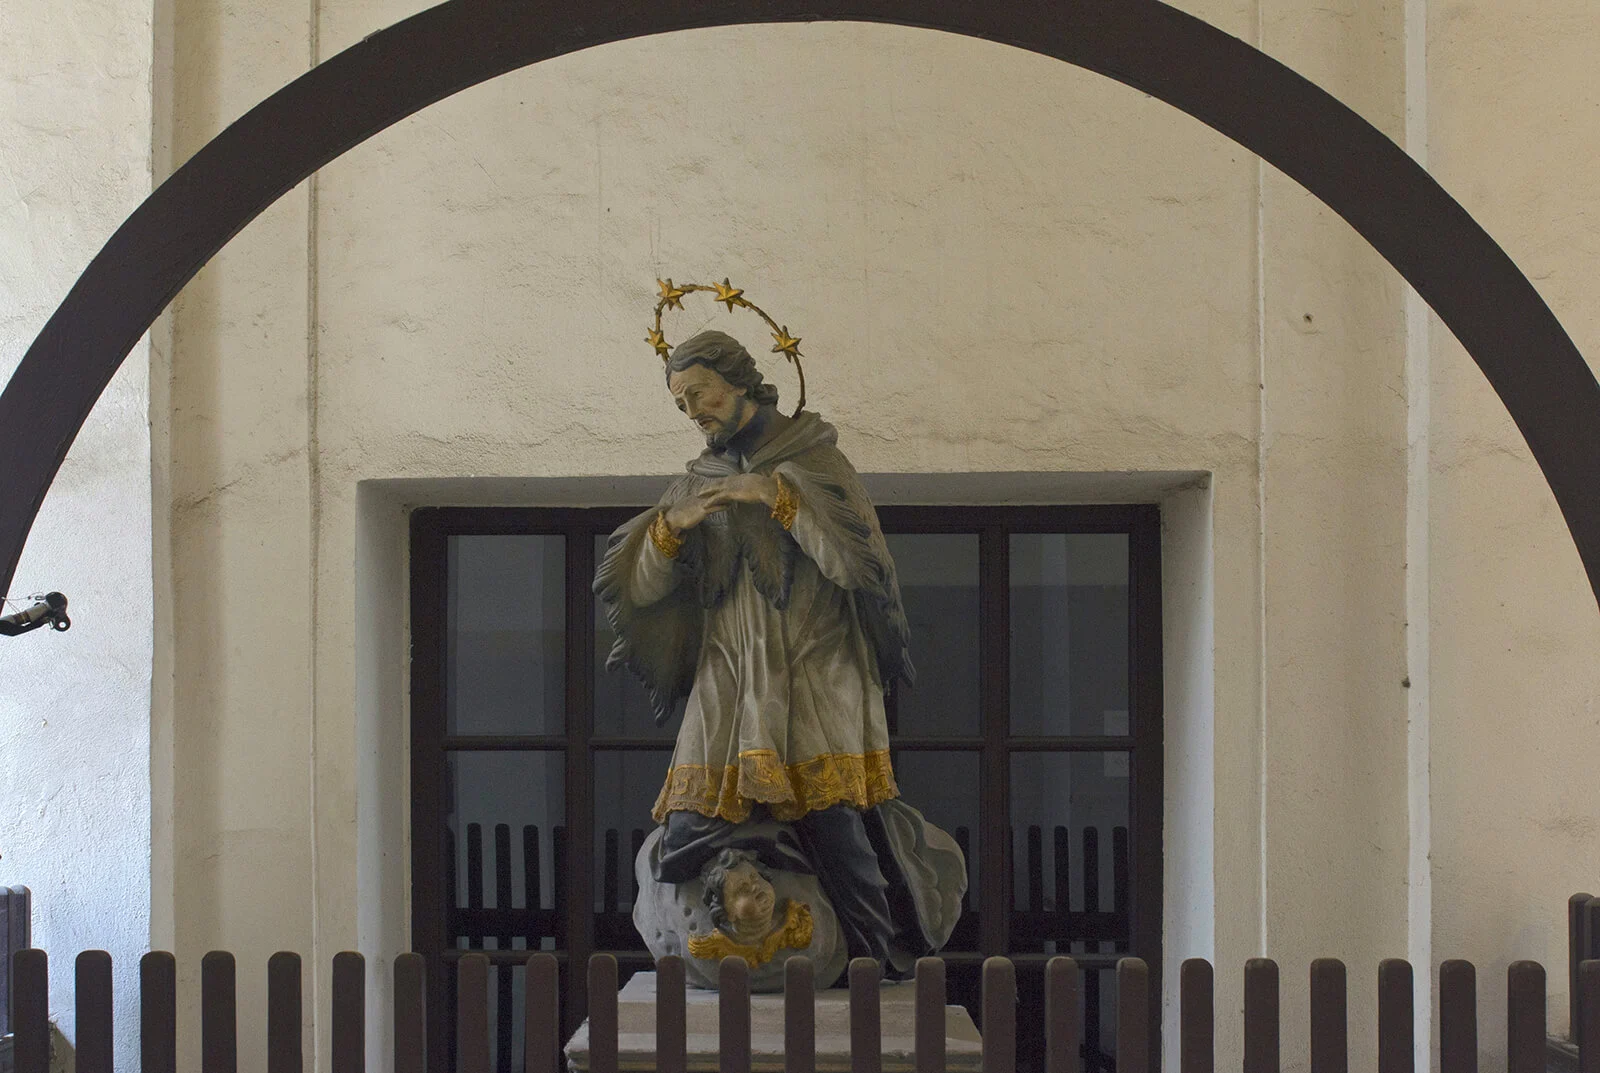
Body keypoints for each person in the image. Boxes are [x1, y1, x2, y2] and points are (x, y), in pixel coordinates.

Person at [594, 329, 927, 971]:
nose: (694, 412)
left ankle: (879, 962)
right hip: (731, 667)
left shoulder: (816, 461)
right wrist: (670, 530)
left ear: (739, 379)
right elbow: (639, 588)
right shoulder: (697, 481)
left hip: (811, 664)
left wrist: (776, 498)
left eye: (699, 393)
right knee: (684, 837)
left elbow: (856, 563)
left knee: (836, 829)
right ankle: (759, 867)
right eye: (681, 405)